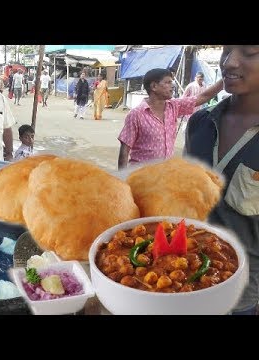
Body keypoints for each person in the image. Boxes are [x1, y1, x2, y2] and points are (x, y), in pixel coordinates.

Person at [184, 45, 259, 315]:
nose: (229, 62)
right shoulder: (200, 123)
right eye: (226, 50)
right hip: (184, 278)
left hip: (243, 293)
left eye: (249, 51)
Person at [117, 68, 223, 169]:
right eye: (167, 82)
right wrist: (123, 179)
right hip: (142, 177)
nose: (172, 86)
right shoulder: (136, 114)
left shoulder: (174, 106)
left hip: (165, 176)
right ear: (154, 86)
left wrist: (225, 80)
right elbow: (124, 150)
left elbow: (203, 97)